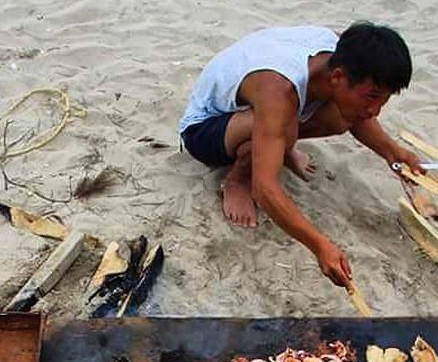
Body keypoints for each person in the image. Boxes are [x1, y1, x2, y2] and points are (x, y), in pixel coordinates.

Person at [179, 22, 425, 288]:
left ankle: (279, 144)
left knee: (343, 118)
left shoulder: (343, 50)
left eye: (384, 100)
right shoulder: (279, 88)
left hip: (262, 110)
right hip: (204, 128)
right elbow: (265, 188)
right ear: (338, 77)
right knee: (283, 127)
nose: (376, 110)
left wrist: (394, 153)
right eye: (372, 97)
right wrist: (320, 245)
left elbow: (358, 114)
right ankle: (237, 180)